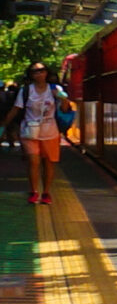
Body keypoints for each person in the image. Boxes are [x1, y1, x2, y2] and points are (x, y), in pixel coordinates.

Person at [15, 64, 74, 205]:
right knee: (33, 161)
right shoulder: (26, 91)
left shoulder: (55, 89)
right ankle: (34, 192)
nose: (39, 74)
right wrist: (4, 125)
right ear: (31, 74)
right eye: (35, 71)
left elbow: (65, 109)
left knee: (49, 163)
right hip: (30, 131)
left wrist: (63, 99)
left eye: (42, 70)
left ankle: (46, 193)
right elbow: (17, 108)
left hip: (50, 132)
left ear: (47, 73)